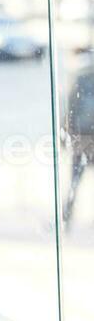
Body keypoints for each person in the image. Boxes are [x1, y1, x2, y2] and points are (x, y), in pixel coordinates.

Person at [62, 58, 94, 225]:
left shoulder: (81, 78)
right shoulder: (82, 79)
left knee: (75, 178)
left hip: (82, 136)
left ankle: (67, 213)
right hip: (83, 137)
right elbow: (71, 107)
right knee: (75, 178)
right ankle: (67, 214)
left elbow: (71, 107)